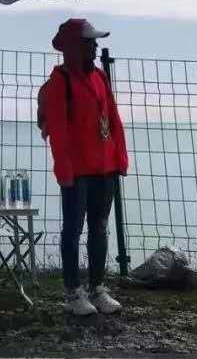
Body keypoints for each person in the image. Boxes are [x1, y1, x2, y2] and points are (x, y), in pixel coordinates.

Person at [37, 18, 129, 316]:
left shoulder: (100, 77)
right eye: (89, 42)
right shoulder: (59, 84)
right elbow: (59, 133)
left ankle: (97, 287)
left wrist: (120, 158)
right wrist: (63, 170)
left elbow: (113, 118)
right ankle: (73, 291)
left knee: (99, 228)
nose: (95, 46)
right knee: (73, 230)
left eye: (94, 42)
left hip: (105, 166)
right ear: (75, 48)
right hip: (76, 170)